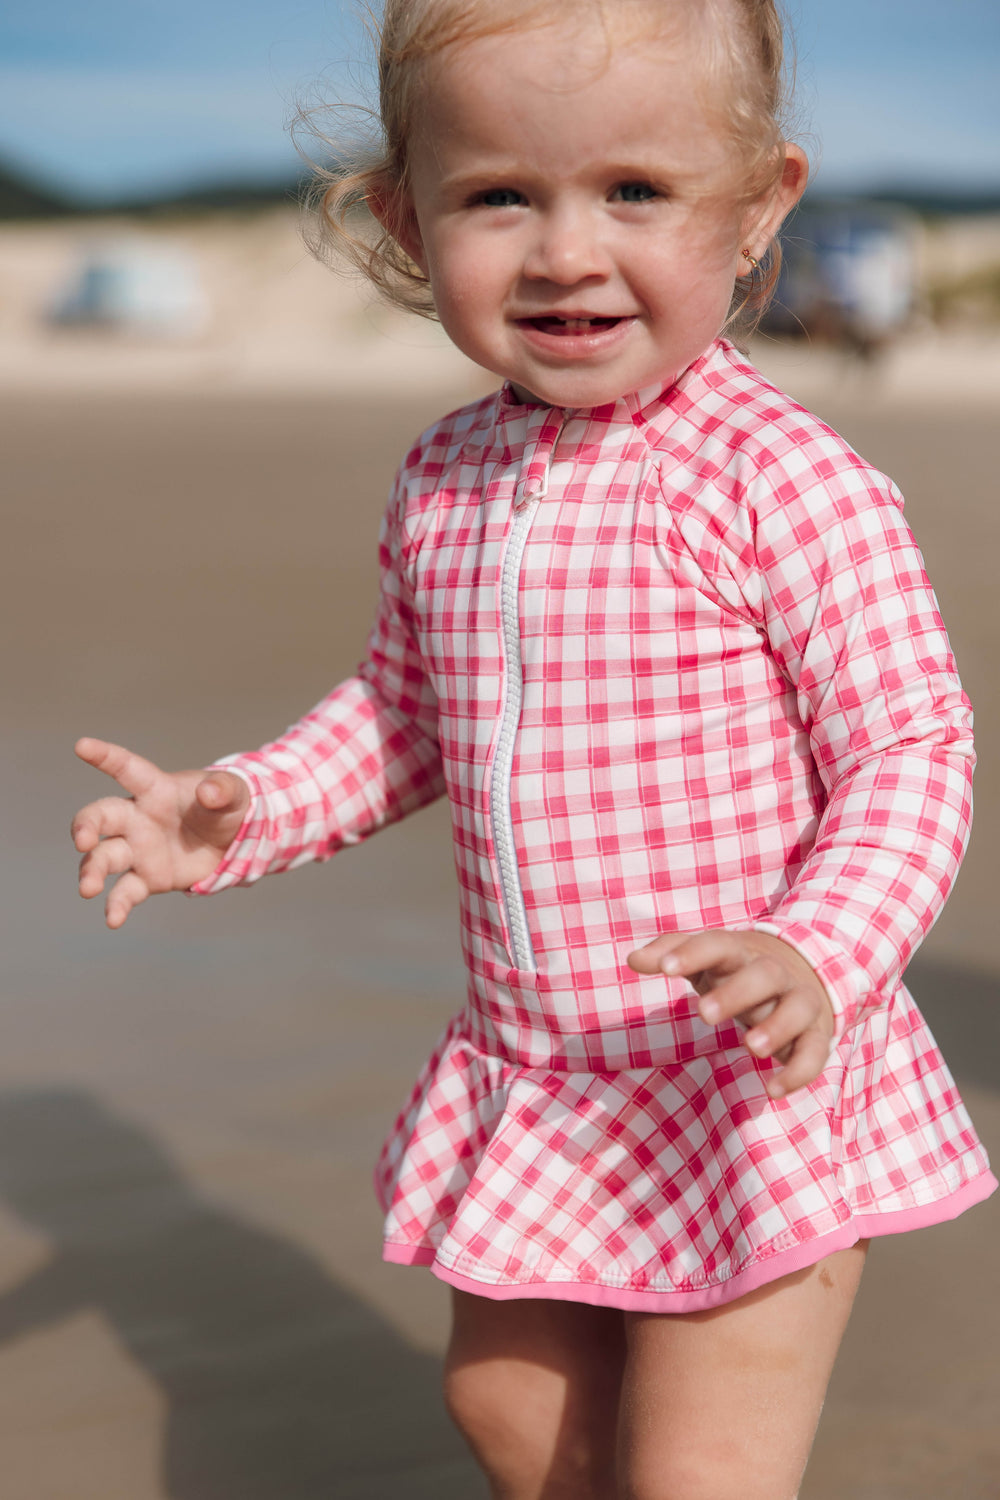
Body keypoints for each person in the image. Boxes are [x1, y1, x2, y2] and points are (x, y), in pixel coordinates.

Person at [71, 2, 997, 1495]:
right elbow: (398, 718)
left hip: (746, 1076)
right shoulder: (442, 476)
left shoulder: (785, 481)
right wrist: (238, 813)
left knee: (698, 1466)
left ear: (759, 206)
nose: (566, 251)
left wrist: (819, 948)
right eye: (501, 195)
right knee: (507, 1407)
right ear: (406, 216)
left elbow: (912, 748)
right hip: (545, 1072)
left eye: (636, 191)